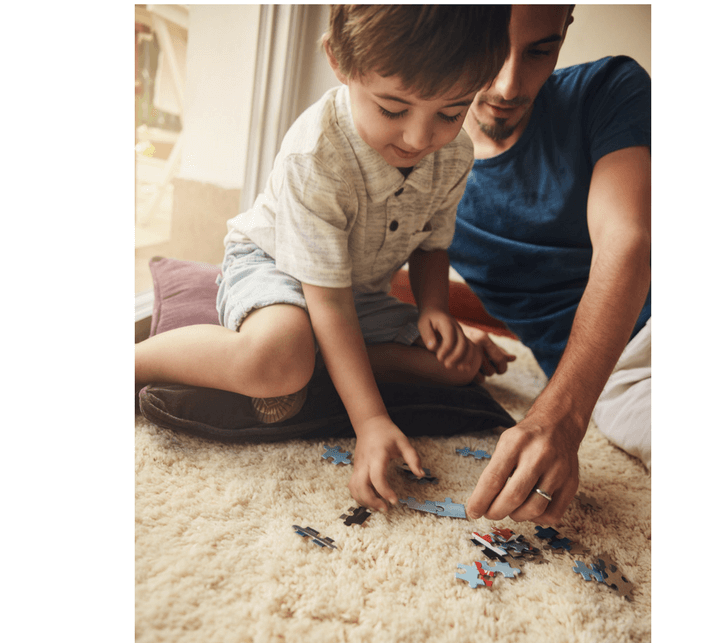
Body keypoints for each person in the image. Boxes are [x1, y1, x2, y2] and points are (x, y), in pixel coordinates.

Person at [135, 5, 511, 513]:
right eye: (394, 109)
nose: (421, 139)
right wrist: (371, 422)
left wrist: (435, 310)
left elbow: (431, 243)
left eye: (450, 112)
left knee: (455, 368)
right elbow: (327, 304)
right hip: (272, 264)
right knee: (278, 361)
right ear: (341, 61)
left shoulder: (454, 154)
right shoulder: (317, 155)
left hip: (354, 292)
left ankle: (324, 359)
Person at [447, 5, 651, 524]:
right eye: (489, 47)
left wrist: (558, 418)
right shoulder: (416, 157)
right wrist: (428, 326)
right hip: (624, 379)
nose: (509, 84)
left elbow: (627, 240)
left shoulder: (609, 88)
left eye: (540, 49)